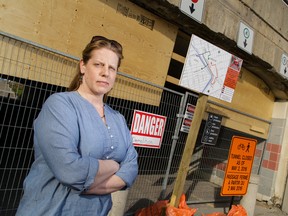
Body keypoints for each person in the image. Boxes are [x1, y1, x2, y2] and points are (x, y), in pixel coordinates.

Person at [16, 36, 138, 216]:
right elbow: (70, 171)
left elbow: (131, 168)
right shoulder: (60, 105)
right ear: (83, 66)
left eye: (112, 68)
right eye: (98, 65)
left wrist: (87, 185)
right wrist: (114, 166)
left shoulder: (118, 119)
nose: (106, 72)